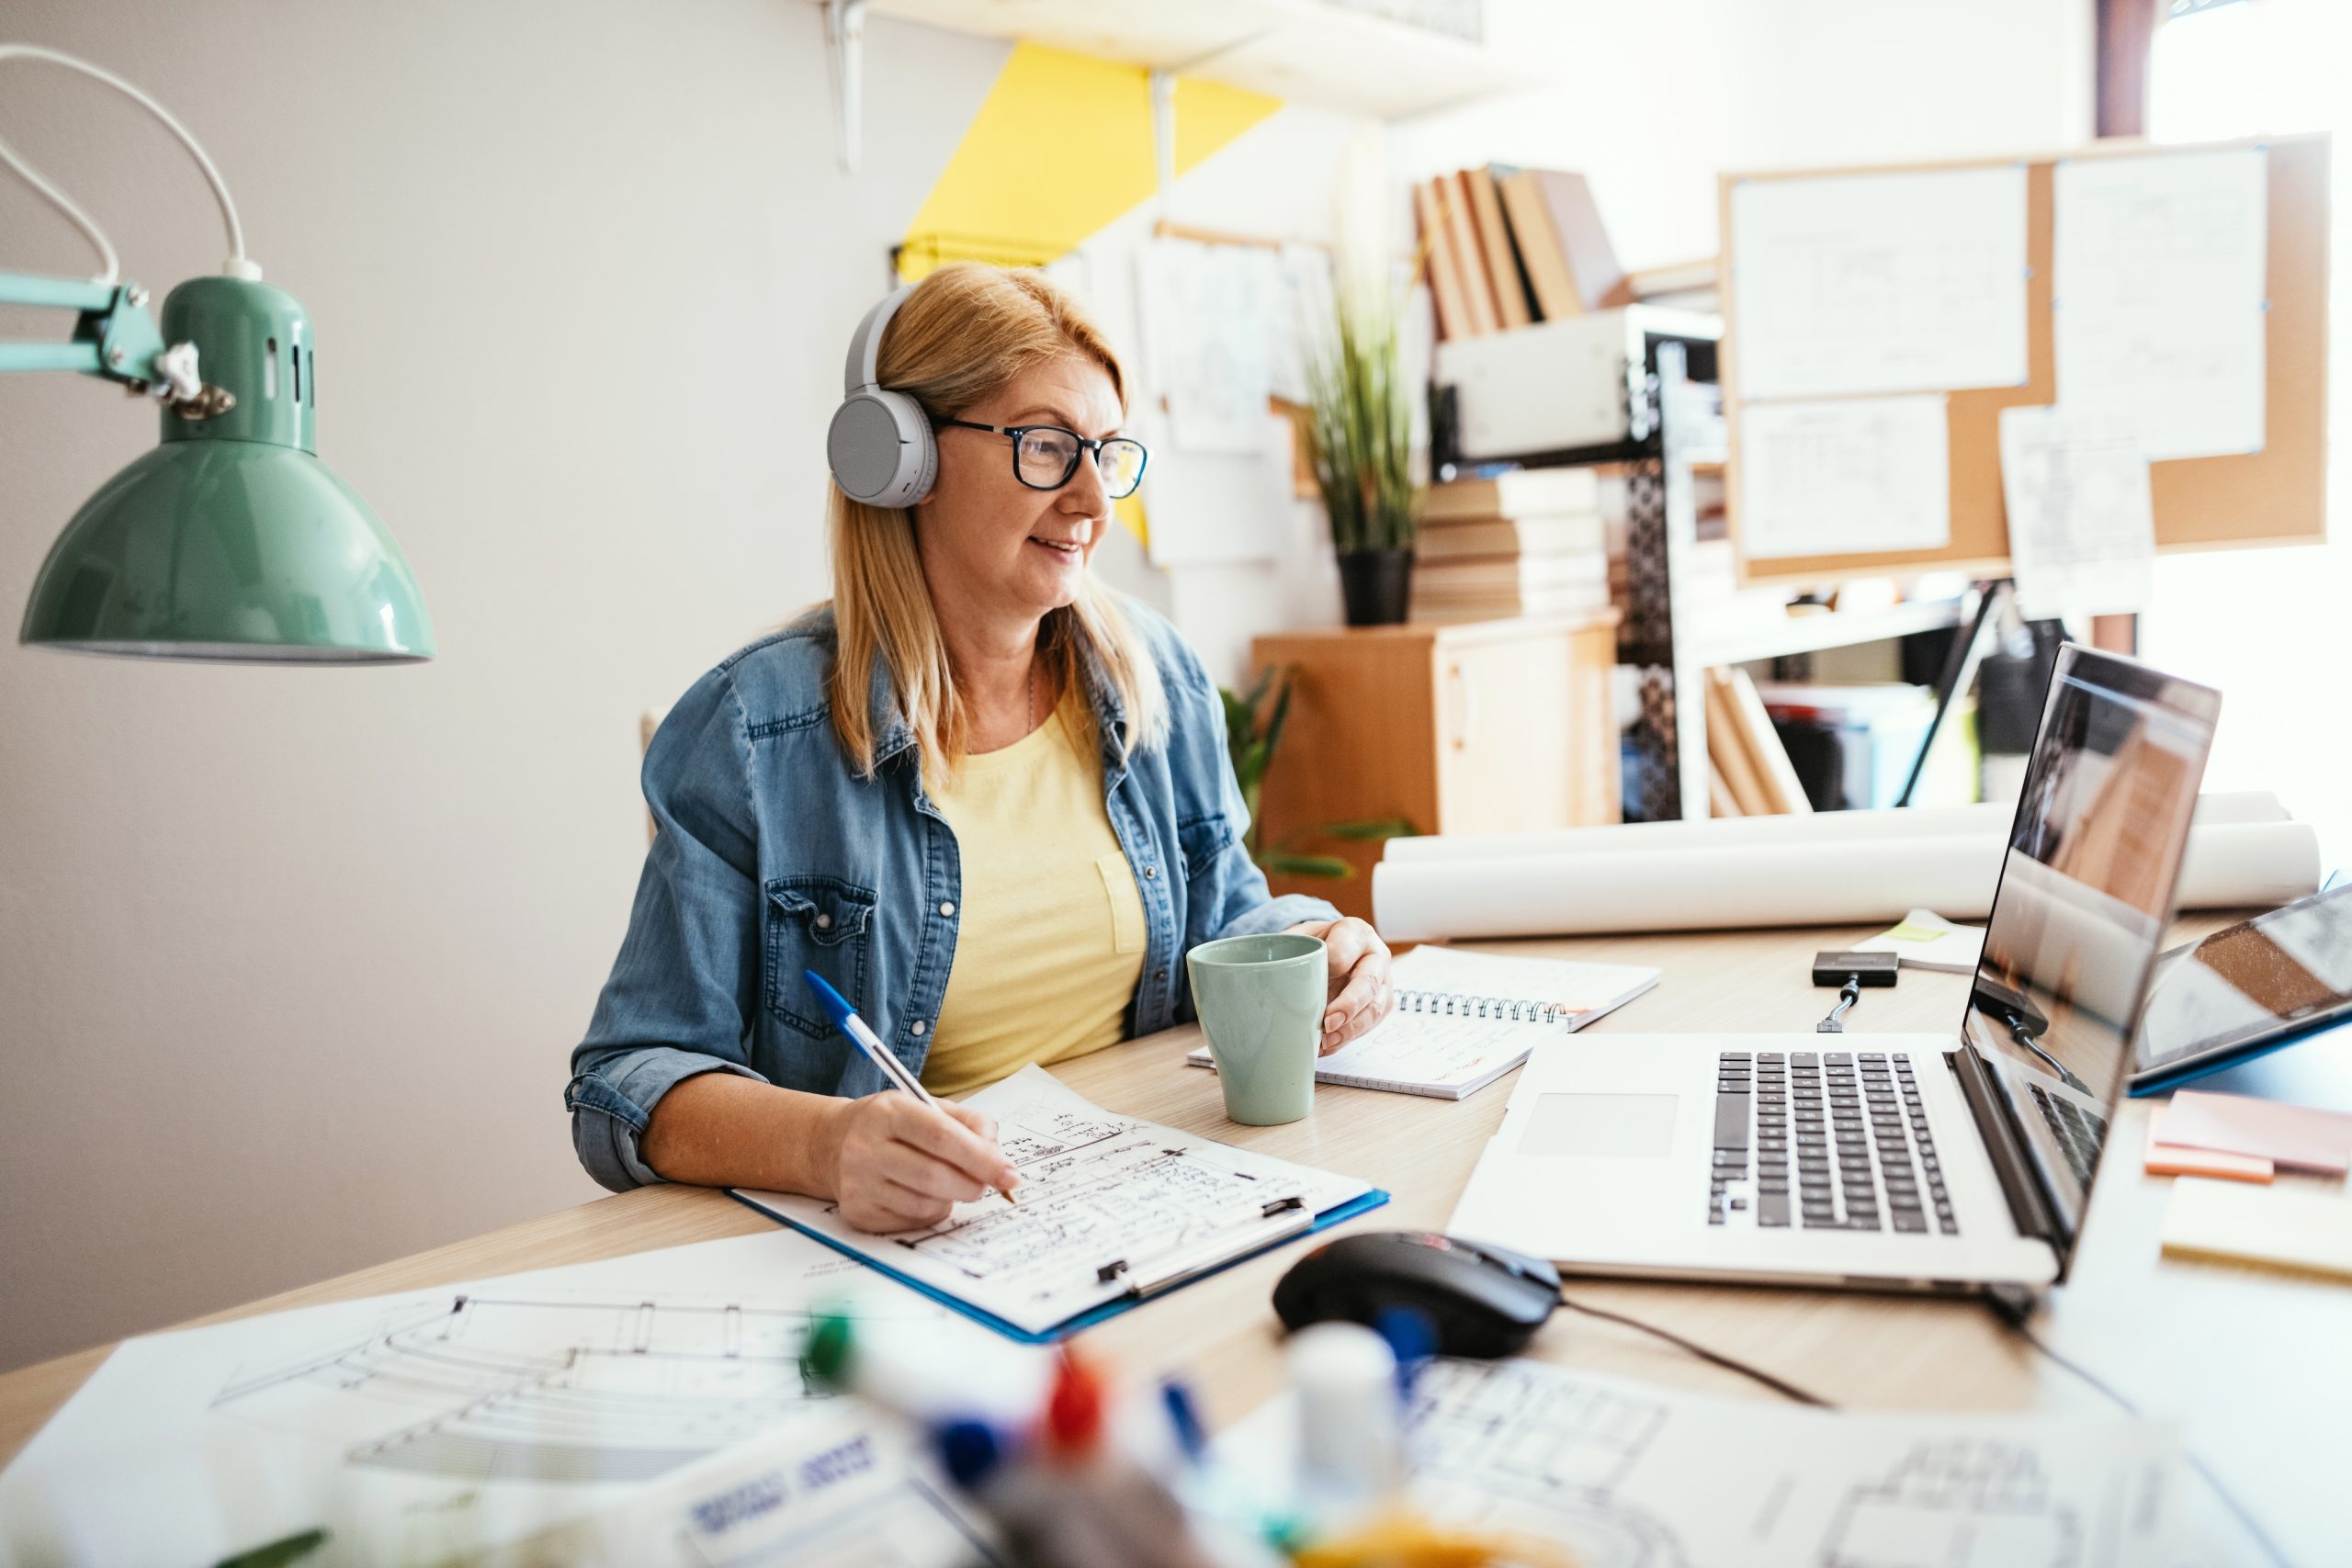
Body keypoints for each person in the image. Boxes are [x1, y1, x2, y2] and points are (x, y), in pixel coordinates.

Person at [567, 262, 1395, 1232]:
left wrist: (1313, 944)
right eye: (1046, 448)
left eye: (1107, 452)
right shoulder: (754, 731)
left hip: (1152, 1209)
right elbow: (627, 1078)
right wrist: (826, 1145)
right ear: (902, 459)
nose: (1092, 499)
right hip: (910, 1252)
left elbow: (1227, 915)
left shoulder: (1154, 675)